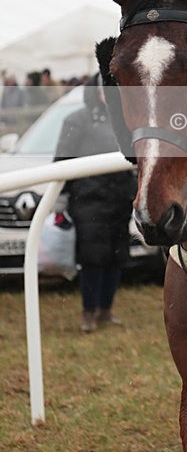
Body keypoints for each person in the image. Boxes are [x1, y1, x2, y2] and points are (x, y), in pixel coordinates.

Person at [55, 74, 136, 333]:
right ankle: (88, 313)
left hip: (120, 199)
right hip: (88, 201)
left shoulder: (126, 120)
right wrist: (59, 203)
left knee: (116, 257)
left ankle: (105, 311)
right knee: (92, 259)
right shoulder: (76, 120)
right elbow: (62, 162)